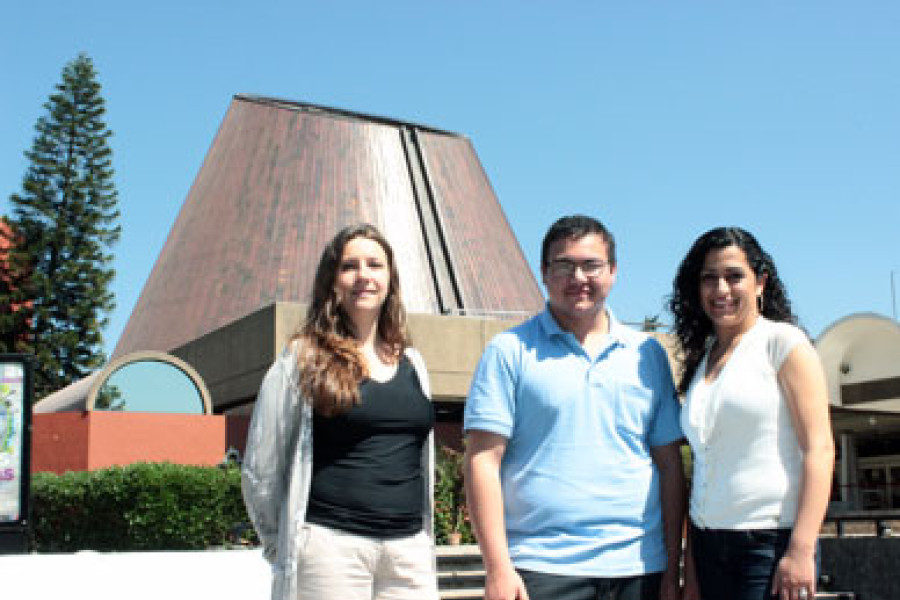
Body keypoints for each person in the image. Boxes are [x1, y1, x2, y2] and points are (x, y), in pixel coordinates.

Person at [464, 215, 688, 600]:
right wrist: (498, 568)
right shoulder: (509, 351)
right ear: (544, 273)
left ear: (613, 271)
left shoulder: (647, 354)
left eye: (591, 265)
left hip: (639, 566)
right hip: (542, 567)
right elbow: (483, 460)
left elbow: (669, 464)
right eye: (564, 265)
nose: (578, 277)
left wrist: (671, 566)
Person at [241, 223, 439, 600]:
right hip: (331, 549)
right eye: (350, 266)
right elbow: (261, 465)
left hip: (409, 550)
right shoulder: (304, 358)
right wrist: (280, 545)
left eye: (375, 265)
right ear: (332, 281)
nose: (364, 275)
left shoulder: (413, 362)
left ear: (390, 279)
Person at [669, 227, 834, 600]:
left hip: (769, 544)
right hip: (708, 545)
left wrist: (801, 549)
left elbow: (820, 450)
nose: (721, 289)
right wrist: (691, 565)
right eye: (709, 278)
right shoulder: (702, 360)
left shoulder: (784, 343)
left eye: (734, 276)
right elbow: (703, 467)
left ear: (760, 282)